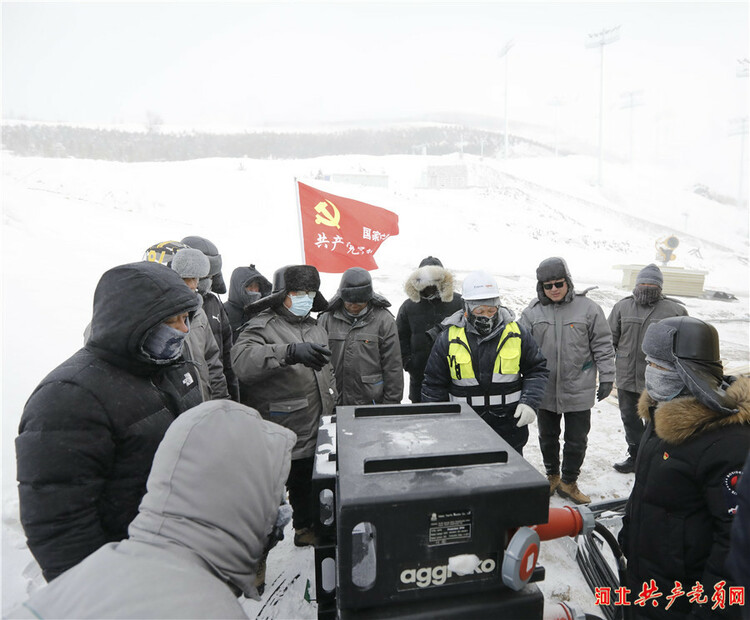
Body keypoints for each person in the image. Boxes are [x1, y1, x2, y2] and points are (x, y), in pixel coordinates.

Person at [8, 400, 297, 619]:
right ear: (243, 500)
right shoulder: (208, 607)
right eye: (274, 496)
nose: (280, 515)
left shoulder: (96, 571)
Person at [15, 261, 202, 582]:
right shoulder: (68, 396)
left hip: (180, 553)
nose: (183, 329)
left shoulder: (173, 366)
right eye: (171, 319)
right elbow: (61, 525)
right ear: (131, 321)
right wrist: (102, 594)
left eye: (186, 318)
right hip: (129, 572)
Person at [620, 316, 750, 620]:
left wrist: (709, 613)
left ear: (689, 373)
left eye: (660, 366)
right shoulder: (662, 414)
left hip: (683, 601)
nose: (650, 373)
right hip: (647, 583)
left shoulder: (728, 444)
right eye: (648, 363)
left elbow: (733, 545)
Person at [231, 264, 336, 547]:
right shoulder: (262, 325)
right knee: (269, 496)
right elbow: (243, 361)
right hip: (281, 425)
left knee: (308, 484)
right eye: (298, 292)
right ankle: (253, 558)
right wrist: (287, 352)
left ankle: (305, 529)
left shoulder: (316, 326)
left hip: (317, 421)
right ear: (282, 294)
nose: (306, 297)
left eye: (310, 292)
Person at [519, 257, 615, 504]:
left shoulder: (589, 309)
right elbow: (518, 347)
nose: (554, 289)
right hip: (546, 389)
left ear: (568, 282)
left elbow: (603, 346)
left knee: (576, 440)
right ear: (541, 287)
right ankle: (552, 476)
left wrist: (607, 377)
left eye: (558, 283)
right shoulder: (531, 313)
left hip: (578, 387)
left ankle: (569, 482)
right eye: (547, 285)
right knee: (547, 436)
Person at [421, 270, 549, 455]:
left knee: (510, 479)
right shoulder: (448, 338)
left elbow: (537, 370)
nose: (486, 316)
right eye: (479, 311)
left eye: (491, 310)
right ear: (466, 309)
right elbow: (433, 384)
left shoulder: (516, 333)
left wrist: (530, 402)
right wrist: (440, 420)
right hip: (464, 427)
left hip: (509, 428)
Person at [607, 263, 687, 473]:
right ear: (636, 284)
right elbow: (609, 341)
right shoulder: (622, 307)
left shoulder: (675, 310)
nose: (646, 287)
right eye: (642, 283)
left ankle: (657, 458)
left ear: (660, 286)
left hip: (661, 379)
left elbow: (684, 346)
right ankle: (635, 456)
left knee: (659, 420)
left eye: (652, 284)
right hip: (627, 375)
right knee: (629, 418)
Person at [318, 267, 403, 405]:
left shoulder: (384, 320)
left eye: (359, 302)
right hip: (335, 398)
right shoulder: (326, 319)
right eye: (349, 302)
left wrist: (390, 405)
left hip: (370, 400)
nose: (353, 305)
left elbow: (393, 366)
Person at [396, 256, 463, 403]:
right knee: (421, 421)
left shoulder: (459, 302)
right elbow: (399, 339)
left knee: (453, 419)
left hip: (455, 378)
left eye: (435, 279)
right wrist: (409, 363)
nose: (430, 285)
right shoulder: (408, 306)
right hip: (420, 378)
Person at [182, 235, 240, 401]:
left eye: (210, 277)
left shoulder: (214, 303)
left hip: (214, 394)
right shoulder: (169, 307)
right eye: (202, 276)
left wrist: (232, 400)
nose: (205, 282)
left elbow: (225, 358)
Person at [171, 248, 230, 400]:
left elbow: (212, 362)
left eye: (195, 278)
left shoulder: (199, 314)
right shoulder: (162, 315)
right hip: (180, 408)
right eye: (186, 278)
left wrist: (221, 402)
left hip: (206, 404)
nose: (192, 285)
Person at [224, 264, 272, 342]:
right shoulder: (223, 311)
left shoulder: (265, 312)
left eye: (256, 286)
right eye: (249, 286)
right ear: (238, 287)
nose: (254, 290)